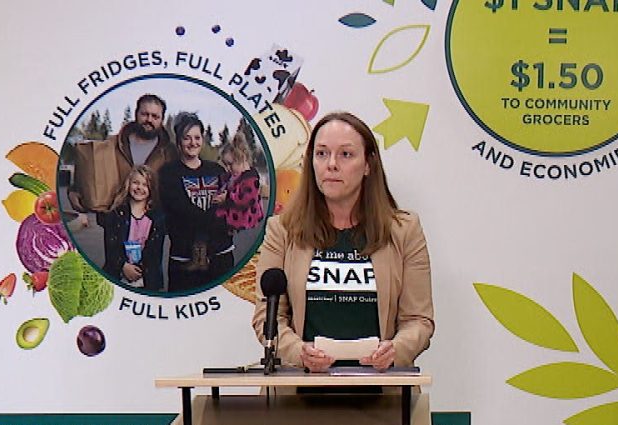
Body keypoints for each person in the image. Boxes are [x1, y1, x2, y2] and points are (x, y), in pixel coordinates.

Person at [250, 110, 433, 371]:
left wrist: (396, 350)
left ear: (368, 164)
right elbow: (267, 317)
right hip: (302, 394)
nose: (331, 164)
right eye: (322, 154)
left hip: (382, 395)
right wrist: (298, 352)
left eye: (345, 154)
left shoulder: (404, 230)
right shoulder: (282, 230)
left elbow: (418, 320)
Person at [158, 113, 235, 293]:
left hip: (220, 256)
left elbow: (233, 202)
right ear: (178, 142)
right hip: (184, 261)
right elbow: (182, 212)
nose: (193, 143)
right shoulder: (168, 173)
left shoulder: (216, 170)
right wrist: (219, 218)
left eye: (197, 137)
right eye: (187, 138)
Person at [70, 93, 174, 216]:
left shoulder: (170, 152)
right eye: (145, 114)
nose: (149, 120)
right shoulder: (111, 144)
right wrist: (73, 191)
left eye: (155, 116)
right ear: (136, 114)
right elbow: (88, 170)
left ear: (162, 120)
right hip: (114, 221)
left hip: (152, 224)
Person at [101, 165, 165, 291]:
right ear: (128, 184)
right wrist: (123, 266)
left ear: (151, 188)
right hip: (117, 276)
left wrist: (141, 272)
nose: (140, 188)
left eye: (145, 185)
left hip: (146, 280)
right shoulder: (116, 213)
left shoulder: (157, 218)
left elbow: (155, 254)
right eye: (136, 183)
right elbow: (110, 246)